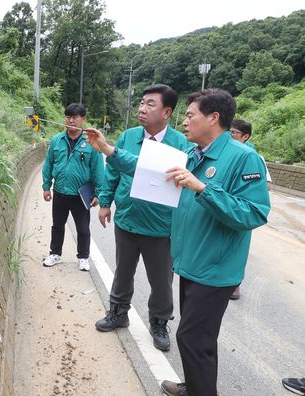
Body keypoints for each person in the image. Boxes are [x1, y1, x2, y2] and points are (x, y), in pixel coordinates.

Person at [83, 89, 271, 396]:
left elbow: (254, 213)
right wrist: (107, 149)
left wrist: (201, 188)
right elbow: (145, 166)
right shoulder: (196, 153)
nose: (185, 121)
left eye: (190, 114)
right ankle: (196, 386)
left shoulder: (243, 158)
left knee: (191, 338)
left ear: (213, 118)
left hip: (214, 268)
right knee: (200, 340)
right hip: (193, 263)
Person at [95, 84, 189, 352]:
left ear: (167, 112)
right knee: (123, 272)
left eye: (150, 104)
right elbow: (113, 172)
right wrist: (105, 203)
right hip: (126, 219)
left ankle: (159, 322)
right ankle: (118, 312)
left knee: (161, 280)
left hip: (160, 227)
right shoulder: (128, 137)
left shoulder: (180, 144)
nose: (142, 108)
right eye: (141, 103)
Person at [42, 103, 104, 271]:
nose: (70, 120)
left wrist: (98, 193)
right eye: (68, 116)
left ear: (83, 119)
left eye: (74, 117)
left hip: (81, 194)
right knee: (57, 225)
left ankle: (83, 257)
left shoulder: (91, 141)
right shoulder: (57, 140)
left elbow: (98, 169)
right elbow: (48, 164)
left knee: (83, 228)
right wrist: (46, 186)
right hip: (60, 191)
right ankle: (55, 253)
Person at [228, 119, 272, 300]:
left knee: (236, 249)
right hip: (221, 209)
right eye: (228, 132)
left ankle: (235, 285)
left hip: (239, 211)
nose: (230, 136)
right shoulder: (223, 153)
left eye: (234, 133)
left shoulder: (252, 157)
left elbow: (266, 186)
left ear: (245, 137)